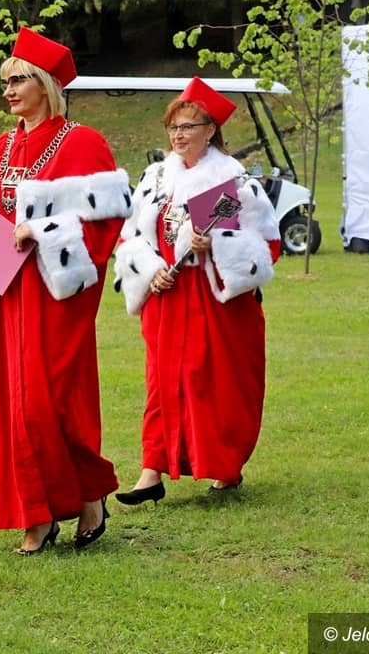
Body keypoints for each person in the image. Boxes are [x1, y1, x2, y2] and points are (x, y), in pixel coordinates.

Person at [0, 27, 132, 554]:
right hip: (2, 293)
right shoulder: (1, 147)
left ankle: (89, 493)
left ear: (46, 84)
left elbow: (107, 222)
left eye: (18, 79)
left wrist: (44, 231)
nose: (8, 90)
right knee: (12, 406)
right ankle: (36, 516)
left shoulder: (83, 142)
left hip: (51, 297)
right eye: (4, 81)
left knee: (52, 402)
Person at [112, 77, 280, 505]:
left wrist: (218, 244)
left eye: (188, 126)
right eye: (173, 127)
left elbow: (268, 245)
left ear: (211, 130)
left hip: (216, 300)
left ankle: (224, 466)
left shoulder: (235, 183)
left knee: (213, 384)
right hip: (167, 295)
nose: (179, 135)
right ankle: (151, 471)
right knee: (161, 382)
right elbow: (131, 235)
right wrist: (150, 270)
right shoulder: (154, 179)